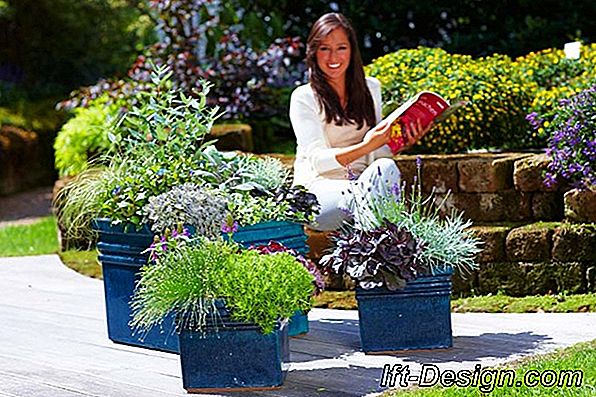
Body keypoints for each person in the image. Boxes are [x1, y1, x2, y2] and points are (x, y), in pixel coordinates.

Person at [289, 13, 429, 231]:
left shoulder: (371, 89)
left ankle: (369, 247)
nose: (333, 56)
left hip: (369, 184)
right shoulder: (304, 97)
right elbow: (318, 162)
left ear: (352, 50)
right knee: (369, 196)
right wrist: (367, 145)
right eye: (324, 48)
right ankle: (383, 249)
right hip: (319, 191)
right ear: (314, 52)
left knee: (386, 167)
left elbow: (378, 156)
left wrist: (404, 141)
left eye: (341, 48)